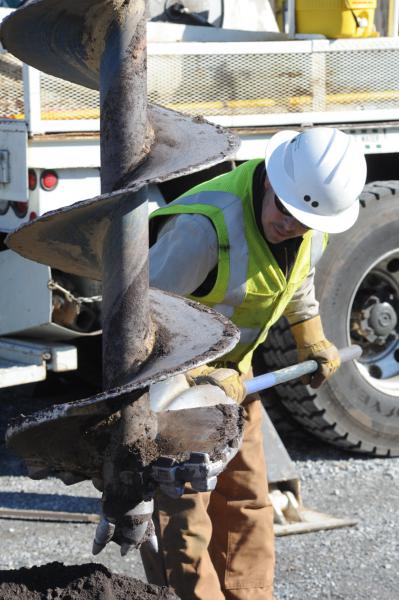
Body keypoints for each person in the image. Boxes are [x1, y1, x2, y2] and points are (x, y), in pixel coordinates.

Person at [143, 127, 367, 600]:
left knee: (248, 500)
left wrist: (310, 334)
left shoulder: (311, 224)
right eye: (286, 211)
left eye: (304, 221)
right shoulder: (203, 230)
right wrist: (195, 375)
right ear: (269, 180)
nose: (291, 225)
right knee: (184, 512)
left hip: (237, 378)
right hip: (171, 387)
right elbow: (142, 322)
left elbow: (296, 277)